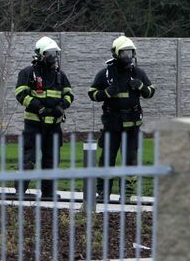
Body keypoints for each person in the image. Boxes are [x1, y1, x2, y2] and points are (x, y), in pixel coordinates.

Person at [88, 35, 155, 202]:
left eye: (130, 53)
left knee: (130, 160)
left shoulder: (138, 73)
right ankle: (103, 193)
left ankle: (126, 194)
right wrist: (105, 93)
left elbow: (151, 92)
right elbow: (92, 93)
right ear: (116, 54)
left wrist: (141, 86)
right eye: (124, 53)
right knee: (107, 159)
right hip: (112, 125)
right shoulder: (105, 74)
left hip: (132, 126)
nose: (128, 56)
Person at [14, 36, 74, 200]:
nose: (53, 57)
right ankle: (20, 191)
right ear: (40, 54)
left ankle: (48, 192)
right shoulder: (28, 73)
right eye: (50, 53)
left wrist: (61, 106)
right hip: (34, 125)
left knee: (51, 160)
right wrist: (38, 106)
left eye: (55, 53)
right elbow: (20, 94)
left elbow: (69, 94)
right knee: (29, 158)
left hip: (54, 126)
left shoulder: (60, 76)